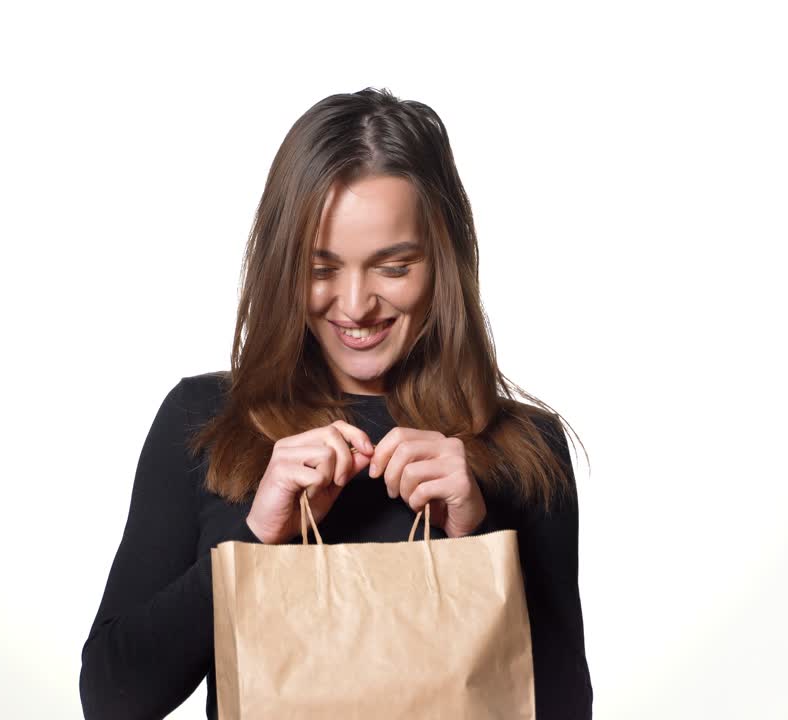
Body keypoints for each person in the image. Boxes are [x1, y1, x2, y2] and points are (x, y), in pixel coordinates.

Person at [79, 87, 593, 719]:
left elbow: (565, 709)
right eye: (321, 269)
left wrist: (475, 536)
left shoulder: (525, 450)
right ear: (281, 265)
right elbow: (112, 700)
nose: (355, 306)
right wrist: (256, 535)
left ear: (443, 264)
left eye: (394, 268)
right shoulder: (204, 421)